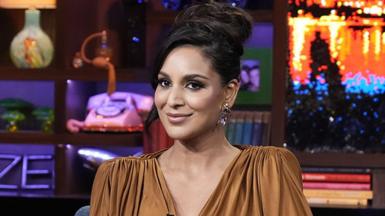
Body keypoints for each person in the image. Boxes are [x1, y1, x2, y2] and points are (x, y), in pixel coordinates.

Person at [88, 2, 312, 216]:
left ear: (229, 92)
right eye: (165, 83)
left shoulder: (267, 172)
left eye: (193, 85)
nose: (173, 100)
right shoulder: (119, 180)